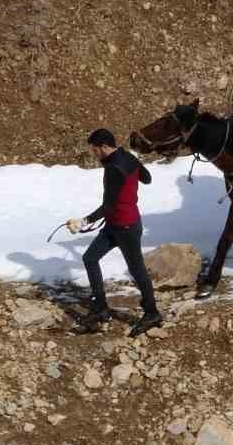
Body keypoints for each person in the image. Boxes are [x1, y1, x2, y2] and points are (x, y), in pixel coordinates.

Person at [64, 129, 162, 337]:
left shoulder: (113, 168)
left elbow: (108, 206)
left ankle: (152, 313)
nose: (94, 154)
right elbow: (147, 179)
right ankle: (100, 308)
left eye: (95, 150)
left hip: (125, 228)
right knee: (90, 258)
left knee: (137, 271)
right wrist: (135, 164)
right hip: (119, 224)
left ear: (103, 147)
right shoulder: (128, 157)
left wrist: (83, 222)